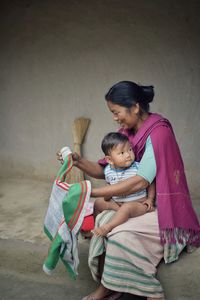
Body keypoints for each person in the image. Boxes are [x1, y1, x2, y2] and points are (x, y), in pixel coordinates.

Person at [57, 81, 200, 300]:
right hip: (133, 203)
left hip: (158, 206)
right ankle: (111, 286)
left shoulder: (158, 133)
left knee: (119, 235)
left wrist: (88, 192)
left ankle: (149, 291)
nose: (115, 118)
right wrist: (78, 161)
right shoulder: (126, 132)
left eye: (116, 112)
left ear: (134, 107)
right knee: (105, 220)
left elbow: (140, 182)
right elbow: (106, 170)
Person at [93, 131, 155, 237]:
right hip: (117, 204)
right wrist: (108, 193)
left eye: (130, 150)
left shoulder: (138, 167)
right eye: (122, 153)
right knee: (98, 202)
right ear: (109, 160)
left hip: (137, 204)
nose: (128, 155)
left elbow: (150, 182)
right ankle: (95, 228)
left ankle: (108, 227)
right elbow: (108, 193)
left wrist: (150, 199)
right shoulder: (108, 171)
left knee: (127, 208)